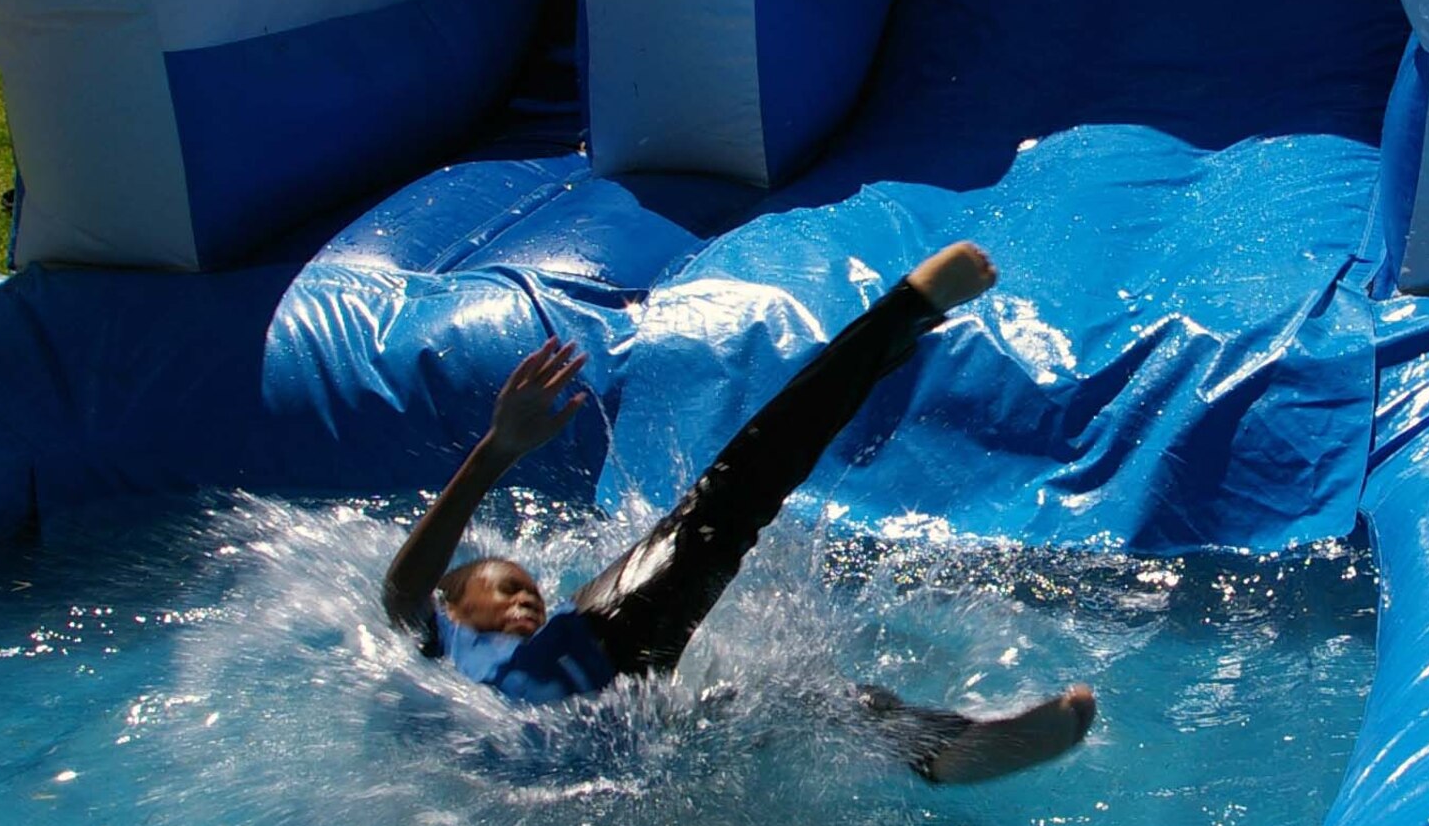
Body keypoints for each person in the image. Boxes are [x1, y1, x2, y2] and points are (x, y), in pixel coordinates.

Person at [384, 242, 1097, 783]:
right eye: (507, 588)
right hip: (603, 742)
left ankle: (943, 747)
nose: (527, 600)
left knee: (767, 601)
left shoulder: (566, 636)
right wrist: (493, 454)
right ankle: (907, 307)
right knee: (747, 547)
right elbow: (401, 592)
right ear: (455, 604)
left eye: (530, 592)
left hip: (615, 688)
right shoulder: (442, 654)